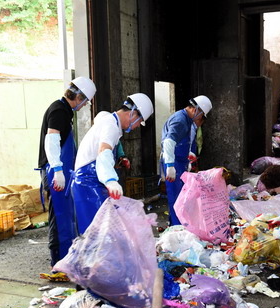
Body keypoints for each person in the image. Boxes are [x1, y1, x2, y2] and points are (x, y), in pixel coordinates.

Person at [71, 93, 154, 234]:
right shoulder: (110, 125)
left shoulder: (111, 123)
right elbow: (104, 151)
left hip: (92, 182)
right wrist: (110, 180)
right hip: (88, 184)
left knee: (103, 233)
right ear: (133, 113)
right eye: (139, 122)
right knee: (97, 235)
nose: (136, 126)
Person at [38, 76, 96, 267]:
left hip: (61, 170)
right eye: (86, 101)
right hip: (55, 171)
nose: (85, 105)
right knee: (60, 217)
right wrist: (57, 169)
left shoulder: (64, 111)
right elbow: (52, 140)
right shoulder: (59, 110)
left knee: (66, 216)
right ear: (78, 96)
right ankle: (58, 261)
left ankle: (65, 259)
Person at [161, 95, 212, 226]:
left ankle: (179, 225)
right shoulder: (180, 120)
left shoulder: (187, 120)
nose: (200, 119)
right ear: (196, 110)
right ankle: (177, 228)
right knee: (176, 198)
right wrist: (170, 166)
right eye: (202, 116)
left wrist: (187, 154)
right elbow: (169, 142)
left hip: (179, 162)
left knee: (181, 198)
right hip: (174, 163)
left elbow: (180, 141)